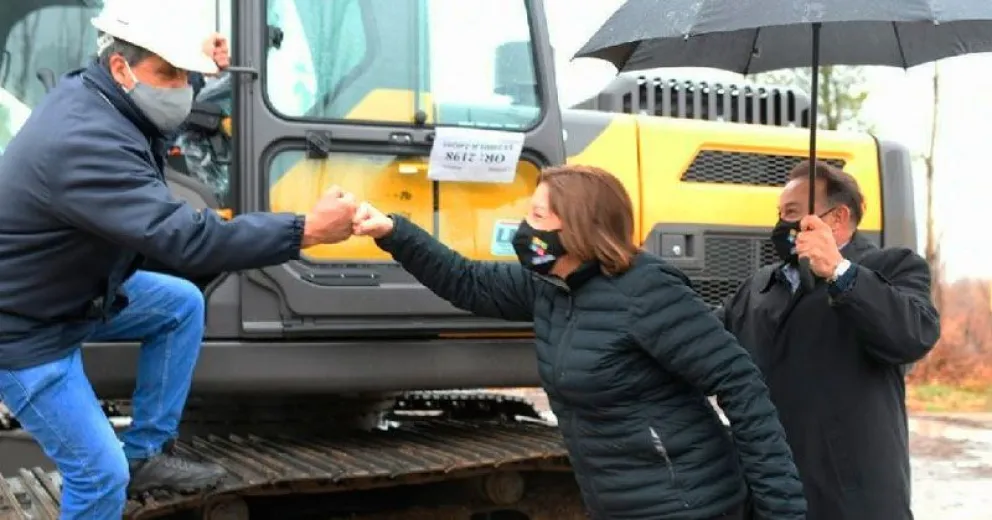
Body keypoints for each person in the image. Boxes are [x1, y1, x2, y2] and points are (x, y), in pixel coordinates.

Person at [0, 2, 358, 519]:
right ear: (122, 67)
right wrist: (306, 230)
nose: (181, 88)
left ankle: (146, 452)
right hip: (25, 327)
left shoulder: (101, 93)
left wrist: (191, 64)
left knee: (178, 304)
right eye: (168, 74)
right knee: (100, 475)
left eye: (185, 76)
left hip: (67, 290)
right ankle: (123, 470)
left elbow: (145, 126)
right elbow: (188, 240)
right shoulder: (85, 142)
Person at [350, 165, 806, 520]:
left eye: (537, 216)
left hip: (688, 503)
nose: (523, 228)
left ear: (578, 228)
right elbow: (466, 281)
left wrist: (781, 511)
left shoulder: (646, 292)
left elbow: (740, 383)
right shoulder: (551, 283)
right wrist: (393, 231)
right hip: (617, 505)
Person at [717, 160, 940, 520]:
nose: (781, 225)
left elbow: (913, 335)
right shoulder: (758, 286)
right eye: (779, 214)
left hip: (853, 497)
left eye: (791, 213)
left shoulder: (893, 267)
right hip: (768, 494)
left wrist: (839, 272)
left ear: (836, 218)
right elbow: (700, 340)